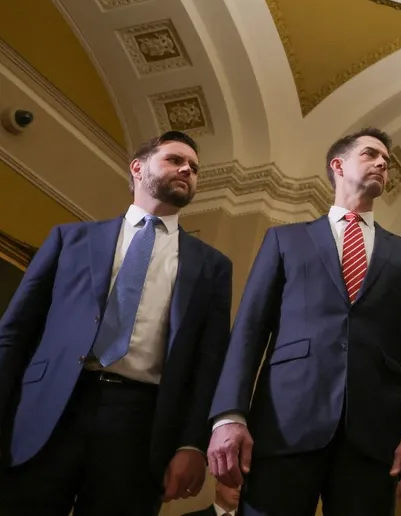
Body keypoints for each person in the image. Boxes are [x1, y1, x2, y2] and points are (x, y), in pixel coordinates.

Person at [206, 128, 401, 515]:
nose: (383, 162)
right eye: (370, 154)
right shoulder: (285, 240)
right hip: (284, 423)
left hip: (373, 433)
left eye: (386, 160)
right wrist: (229, 415)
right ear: (338, 165)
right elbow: (248, 331)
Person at [0, 131, 233, 515]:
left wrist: (191, 443)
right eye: (175, 160)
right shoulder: (70, 240)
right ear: (137, 168)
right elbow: (16, 332)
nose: (187, 170)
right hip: (50, 409)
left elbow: (209, 364)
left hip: (141, 424)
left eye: (194, 168)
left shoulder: (212, 267)